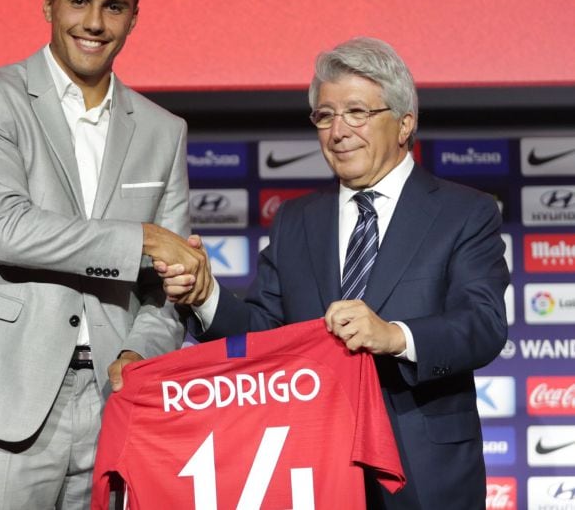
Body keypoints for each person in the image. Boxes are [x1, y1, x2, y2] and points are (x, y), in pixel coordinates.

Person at [0, 0, 206, 510]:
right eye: (79, 0)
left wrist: (139, 354)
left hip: (115, 400)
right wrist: (146, 239)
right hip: (2, 395)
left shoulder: (163, 131)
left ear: (133, 16)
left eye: (113, 6)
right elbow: (7, 228)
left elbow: (165, 291)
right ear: (49, 3)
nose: (94, 22)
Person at [159, 36, 509, 509]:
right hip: (314, 469)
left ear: (405, 123)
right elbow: (267, 333)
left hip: (424, 474)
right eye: (325, 116)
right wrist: (205, 297)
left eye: (358, 113)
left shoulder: (465, 212)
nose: (338, 131)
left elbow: (483, 325)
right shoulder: (296, 220)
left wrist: (395, 335)